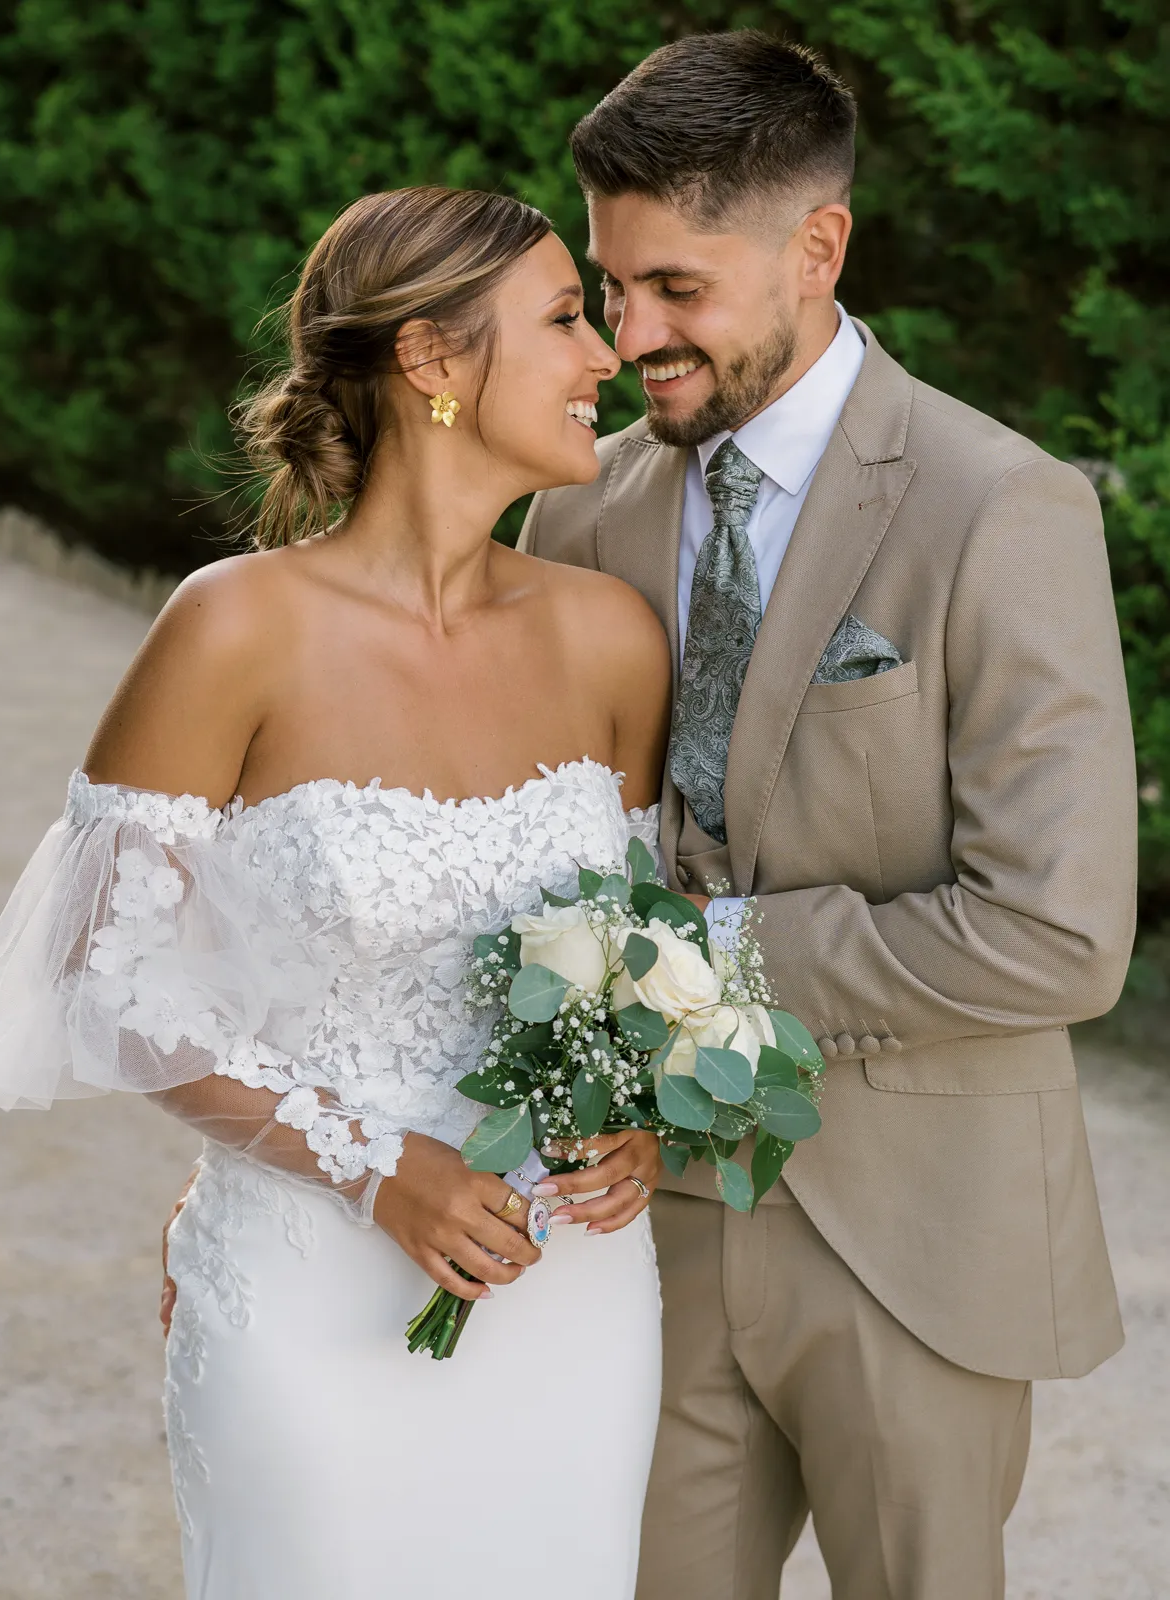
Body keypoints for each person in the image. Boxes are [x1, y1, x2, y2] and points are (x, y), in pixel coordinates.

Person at [0, 187, 670, 1599]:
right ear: (432, 358)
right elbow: (102, 978)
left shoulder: (612, 636)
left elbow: (634, 950)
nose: (608, 354)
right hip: (310, 1289)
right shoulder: (235, 627)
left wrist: (641, 1114)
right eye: (564, 319)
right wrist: (367, 1163)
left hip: (572, 1295)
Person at [521, 31, 1138, 1600]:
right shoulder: (579, 508)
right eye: (611, 288)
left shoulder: (1001, 506)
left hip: (915, 1236)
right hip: (647, 1225)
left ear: (819, 247)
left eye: (678, 288)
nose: (631, 337)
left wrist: (710, 960)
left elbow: (1060, 935)